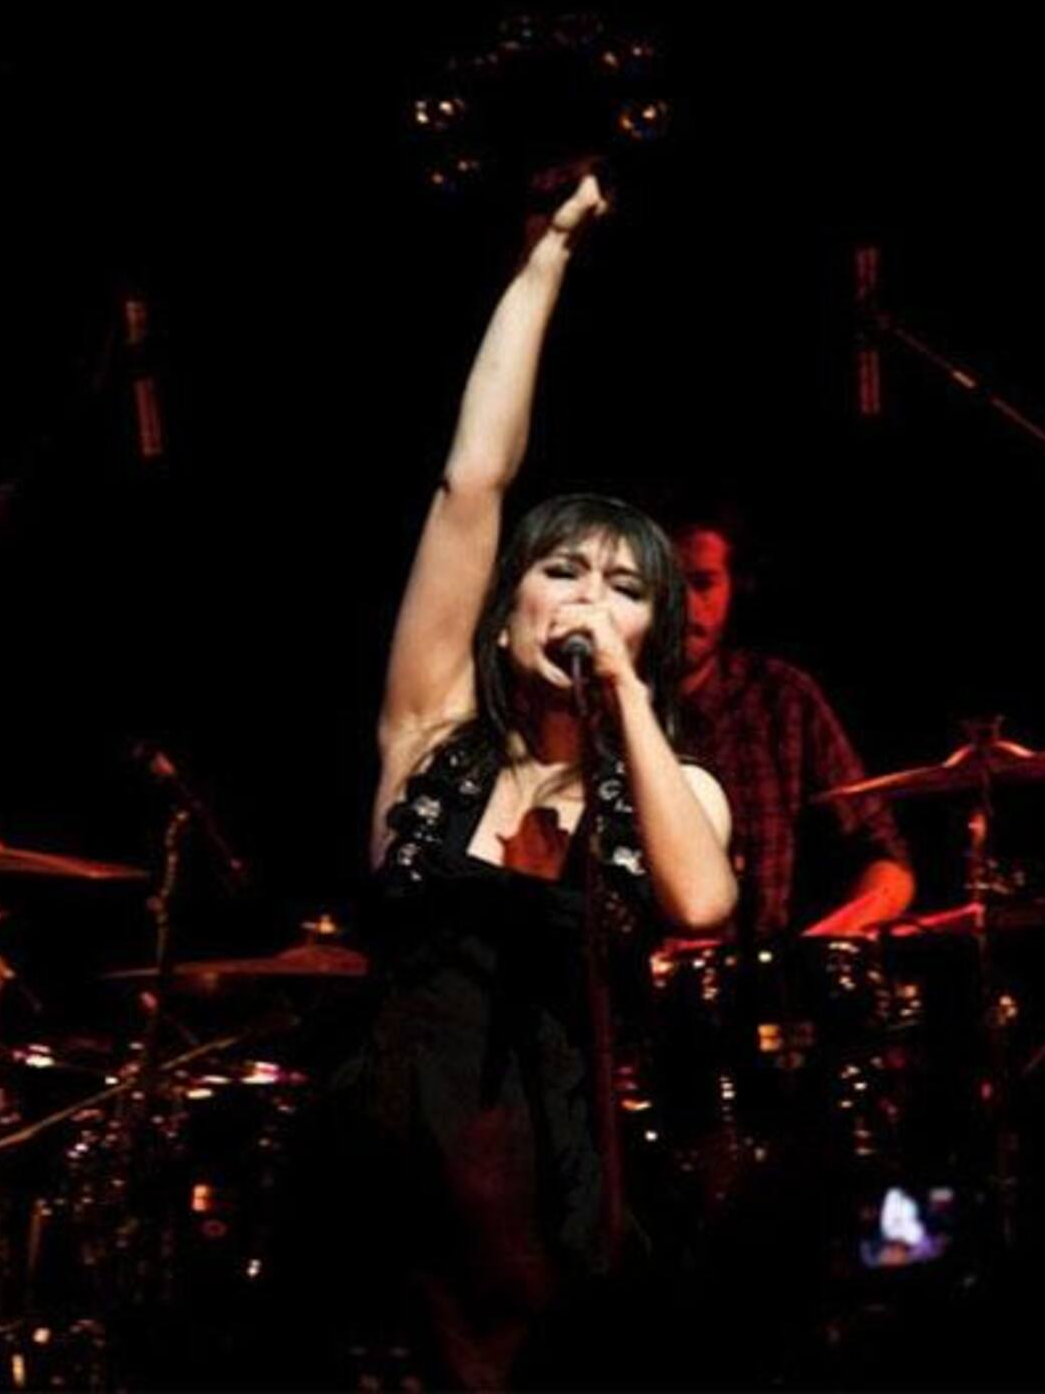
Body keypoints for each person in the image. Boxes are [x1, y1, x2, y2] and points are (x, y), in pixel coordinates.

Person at [352, 171, 736, 1392]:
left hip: (554, 1219)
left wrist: (624, 695)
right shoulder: (432, 734)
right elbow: (473, 479)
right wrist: (548, 259)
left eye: (625, 589)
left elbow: (702, 902)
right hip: (391, 1196)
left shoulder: (676, 787)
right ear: (509, 599)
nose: (587, 600)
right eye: (562, 571)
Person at [671, 512, 913, 943]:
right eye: (665, 585)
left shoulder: (781, 698)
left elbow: (884, 857)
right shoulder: (595, 710)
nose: (684, 606)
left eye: (703, 583)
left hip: (770, 974)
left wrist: (824, 946)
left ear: (735, 587)